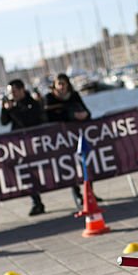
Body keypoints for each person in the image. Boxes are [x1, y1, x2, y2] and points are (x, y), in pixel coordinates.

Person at [45, 74, 94, 209]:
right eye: (58, 84)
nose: (61, 86)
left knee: (86, 162)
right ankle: (77, 194)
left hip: (78, 135)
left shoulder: (74, 96)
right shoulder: (50, 99)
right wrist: (71, 116)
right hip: (61, 138)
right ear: (54, 85)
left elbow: (87, 111)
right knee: (70, 166)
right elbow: (49, 118)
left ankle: (89, 192)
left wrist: (85, 115)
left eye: (64, 83)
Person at [1, 79, 48, 216]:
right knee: (25, 173)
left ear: (21, 90)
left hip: (35, 142)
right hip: (19, 146)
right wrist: (5, 110)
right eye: (10, 92)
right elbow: (3, 122)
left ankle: (79, 194)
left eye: (14, 92)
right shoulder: (10, 104)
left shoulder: (32, 103)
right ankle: (36, 201)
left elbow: (28, 121)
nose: (12, 95)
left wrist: (14, 110)